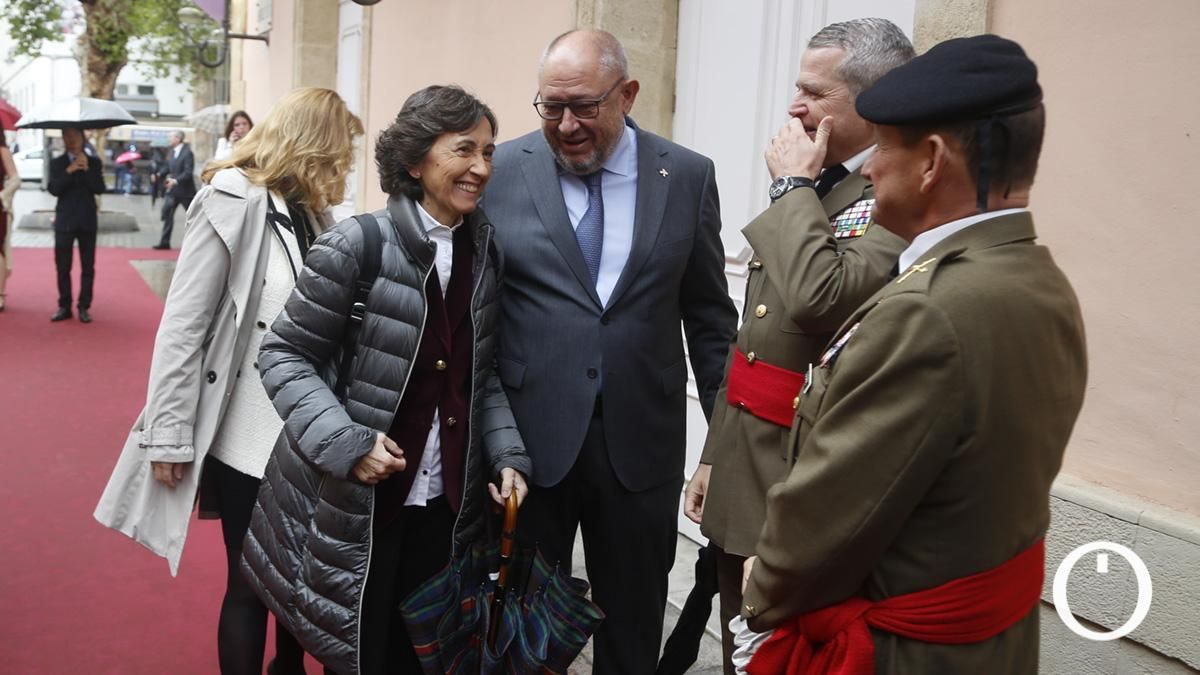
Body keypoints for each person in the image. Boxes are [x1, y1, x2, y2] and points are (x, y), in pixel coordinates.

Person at [737, 35, 1088, 674]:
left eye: (883, 148)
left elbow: (829, 516)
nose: (870, 170)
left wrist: (762, 588)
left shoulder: (929, 311)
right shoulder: (1037, 277)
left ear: (930, 161)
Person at [240, 85, 531, 675]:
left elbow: (483, 374)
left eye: (488, 152)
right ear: (414, 161)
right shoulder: (356, 243)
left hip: (446, 509)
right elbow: (285, 354)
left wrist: (507, 456)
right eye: (463, 150)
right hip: (357, 509)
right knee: (360, 654)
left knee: (421, 658)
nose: (481, 168)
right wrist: (349, 444)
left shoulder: (486, 251)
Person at [482, 30, 738, 675]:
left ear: (628, 94)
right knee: (523, 633)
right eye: (551, 107)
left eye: (584, 107)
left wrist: (725, 448)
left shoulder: (687, 175)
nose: (566, 125)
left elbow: (711, 322)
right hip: (530, 449)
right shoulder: (501, 170)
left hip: (642, 447)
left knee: (632, 629)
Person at [94, 87, 365, 675]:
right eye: (342, 150)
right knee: (249, 584)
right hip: (246, 431)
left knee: (300, 579)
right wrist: (168, 435)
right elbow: (183, 327)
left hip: (309, 432)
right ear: (314, 145)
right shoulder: (232, 198)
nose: (347, 164)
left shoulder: (318, 214)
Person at [679, 19, 913, 672]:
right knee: (742, 648)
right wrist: (714, 455)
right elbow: (755, 336)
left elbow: (819, 299)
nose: (794, 107)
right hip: (747, 458)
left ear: (873, 100)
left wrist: (790, 188)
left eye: (814, 92)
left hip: (806, 475)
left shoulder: (892, 193)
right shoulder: (821, 179)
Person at [48, 127, 105, 323]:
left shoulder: (94, 162)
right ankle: (64, 305)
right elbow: (53, 189)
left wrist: (87, 169)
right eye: (67, 136)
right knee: (63, 266)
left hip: (87, 220)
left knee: (88, 267)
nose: (71, 140)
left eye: (74, 136)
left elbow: (100, 188)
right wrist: (69, 170)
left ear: (82, 138)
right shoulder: (57, 163)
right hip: (65, 221)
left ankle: (84, 306)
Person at [154, 130, 196, 250]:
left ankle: (194, 243)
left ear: (178, 139)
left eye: (170, 137)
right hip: (173, 191)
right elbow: (168, 167)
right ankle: (164, 242)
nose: (169, 139)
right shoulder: (172, 152)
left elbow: (188, 172)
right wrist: (159, 174)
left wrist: (176, 180)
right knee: (167, 214)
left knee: (194, 218)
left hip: (186, 192)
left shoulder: (188, 153)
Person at [0, 133, 18, 312]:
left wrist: (2, 195)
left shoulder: (2, 150)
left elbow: (16, 179)